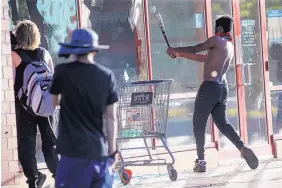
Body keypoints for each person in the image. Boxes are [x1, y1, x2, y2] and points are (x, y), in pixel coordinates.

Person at [166, 15, 259, 172]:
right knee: (223, 123)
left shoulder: (216, 41)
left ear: (220, 29)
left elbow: (196, 48)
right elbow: (203, 58)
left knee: (198, 124)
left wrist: (175, 49)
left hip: (209, 87)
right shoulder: (228, 46)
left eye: (216, 29)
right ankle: (242, 148)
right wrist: (180, 54)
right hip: (222, 89)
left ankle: (201, 162)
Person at [50, 28, 118, 188]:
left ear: (73, 49)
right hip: (97, 153)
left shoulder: (62, 72)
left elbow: (53, 103)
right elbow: (111, 118)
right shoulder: (106, 76)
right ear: (94, 51)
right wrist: (112, 152)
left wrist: (70, 99)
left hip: (71, 154)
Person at [11, 20, 58, 188]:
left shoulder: (14, 56)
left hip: (24, 108)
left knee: (26, 145)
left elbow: (11, 82)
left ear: (18, 36)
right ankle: (58, 176)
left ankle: (34, 181)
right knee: (50, 142)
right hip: (46, 105)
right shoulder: (44, 53)